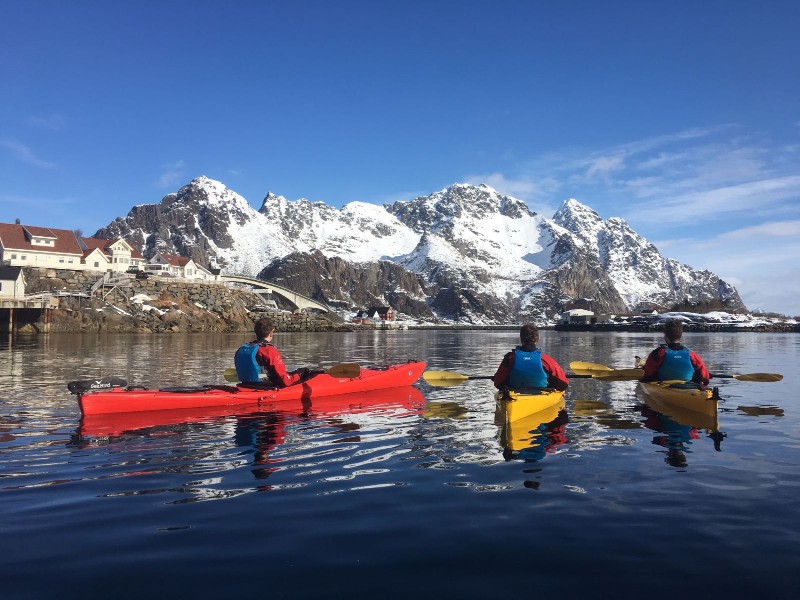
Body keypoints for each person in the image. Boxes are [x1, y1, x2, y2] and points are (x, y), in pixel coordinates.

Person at [234, 317, 309, 386]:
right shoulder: (269, 351)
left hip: (246, 384)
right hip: (265, 386)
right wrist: (299, 374)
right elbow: (286, 381)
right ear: (271, 333)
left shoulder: (243, 348)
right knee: (301, 374)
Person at [493, 324, 569, 391]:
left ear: (521, 339)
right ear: (537, 339)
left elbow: (498, 383)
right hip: (541, 397)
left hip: (515, 397)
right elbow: (563, 385)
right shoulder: (546, 360)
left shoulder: (509, 358)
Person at [639, 319, 710, 385]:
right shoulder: (692, 355)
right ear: (680, 335)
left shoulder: (657, 354)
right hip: (688, 386)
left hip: (663, 386)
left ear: (665, 336)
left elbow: (646, 374)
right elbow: (705, 378)